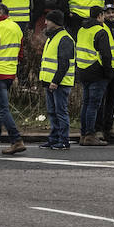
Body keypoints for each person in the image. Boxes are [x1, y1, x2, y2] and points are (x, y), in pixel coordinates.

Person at [74, 6, 113, 146]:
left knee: (86, 103)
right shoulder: (101, 31)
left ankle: (84, 134)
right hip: (97, 71)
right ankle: (90, 134)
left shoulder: (81, 29)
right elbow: (106, 55)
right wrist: (109, 73)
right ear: (100, 16)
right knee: (93, 105)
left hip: (83, 70)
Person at [0, 2, 26, 155]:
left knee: (2, 110)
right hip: (9, 74)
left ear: (0, 12)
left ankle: (16, 140)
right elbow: (20, 53)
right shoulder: (16, 27)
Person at [39, 11, 74, 150]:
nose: (45, 23)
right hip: (51, 82)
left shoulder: (64, 38)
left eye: (48, 20)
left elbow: (64, 63)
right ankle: (54, 139)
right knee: (53, 112)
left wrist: (55, 81)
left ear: (56, 22)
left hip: (59, 83)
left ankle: (64, 141)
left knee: (60, 112)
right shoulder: (52, 37)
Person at [95, 4, 114, 141]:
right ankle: (99, 129)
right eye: (108, 13)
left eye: (113, 12)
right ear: (103, 15)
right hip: (105, 69)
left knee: (112, 101)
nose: (111, 15)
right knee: (101, 101)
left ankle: (108, 128)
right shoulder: (101, 29)